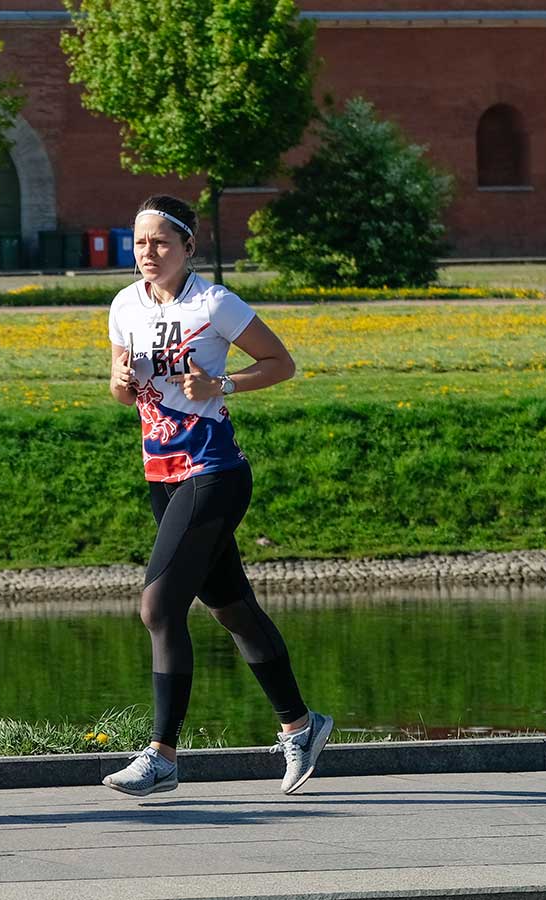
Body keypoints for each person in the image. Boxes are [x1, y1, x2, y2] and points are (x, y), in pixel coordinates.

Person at [102, 194, 332, 798]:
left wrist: (221, 383)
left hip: (214, 473)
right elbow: (123, 392)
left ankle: (162, 756)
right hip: (161, 475)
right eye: (139, 241)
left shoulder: (215, 303)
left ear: (188, 247)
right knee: (231, 608)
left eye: (160, 242)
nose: (147, 252)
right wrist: (119, 381)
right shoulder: (124, 305)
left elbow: (281, 363)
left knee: (158, 608)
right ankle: (301, 726)